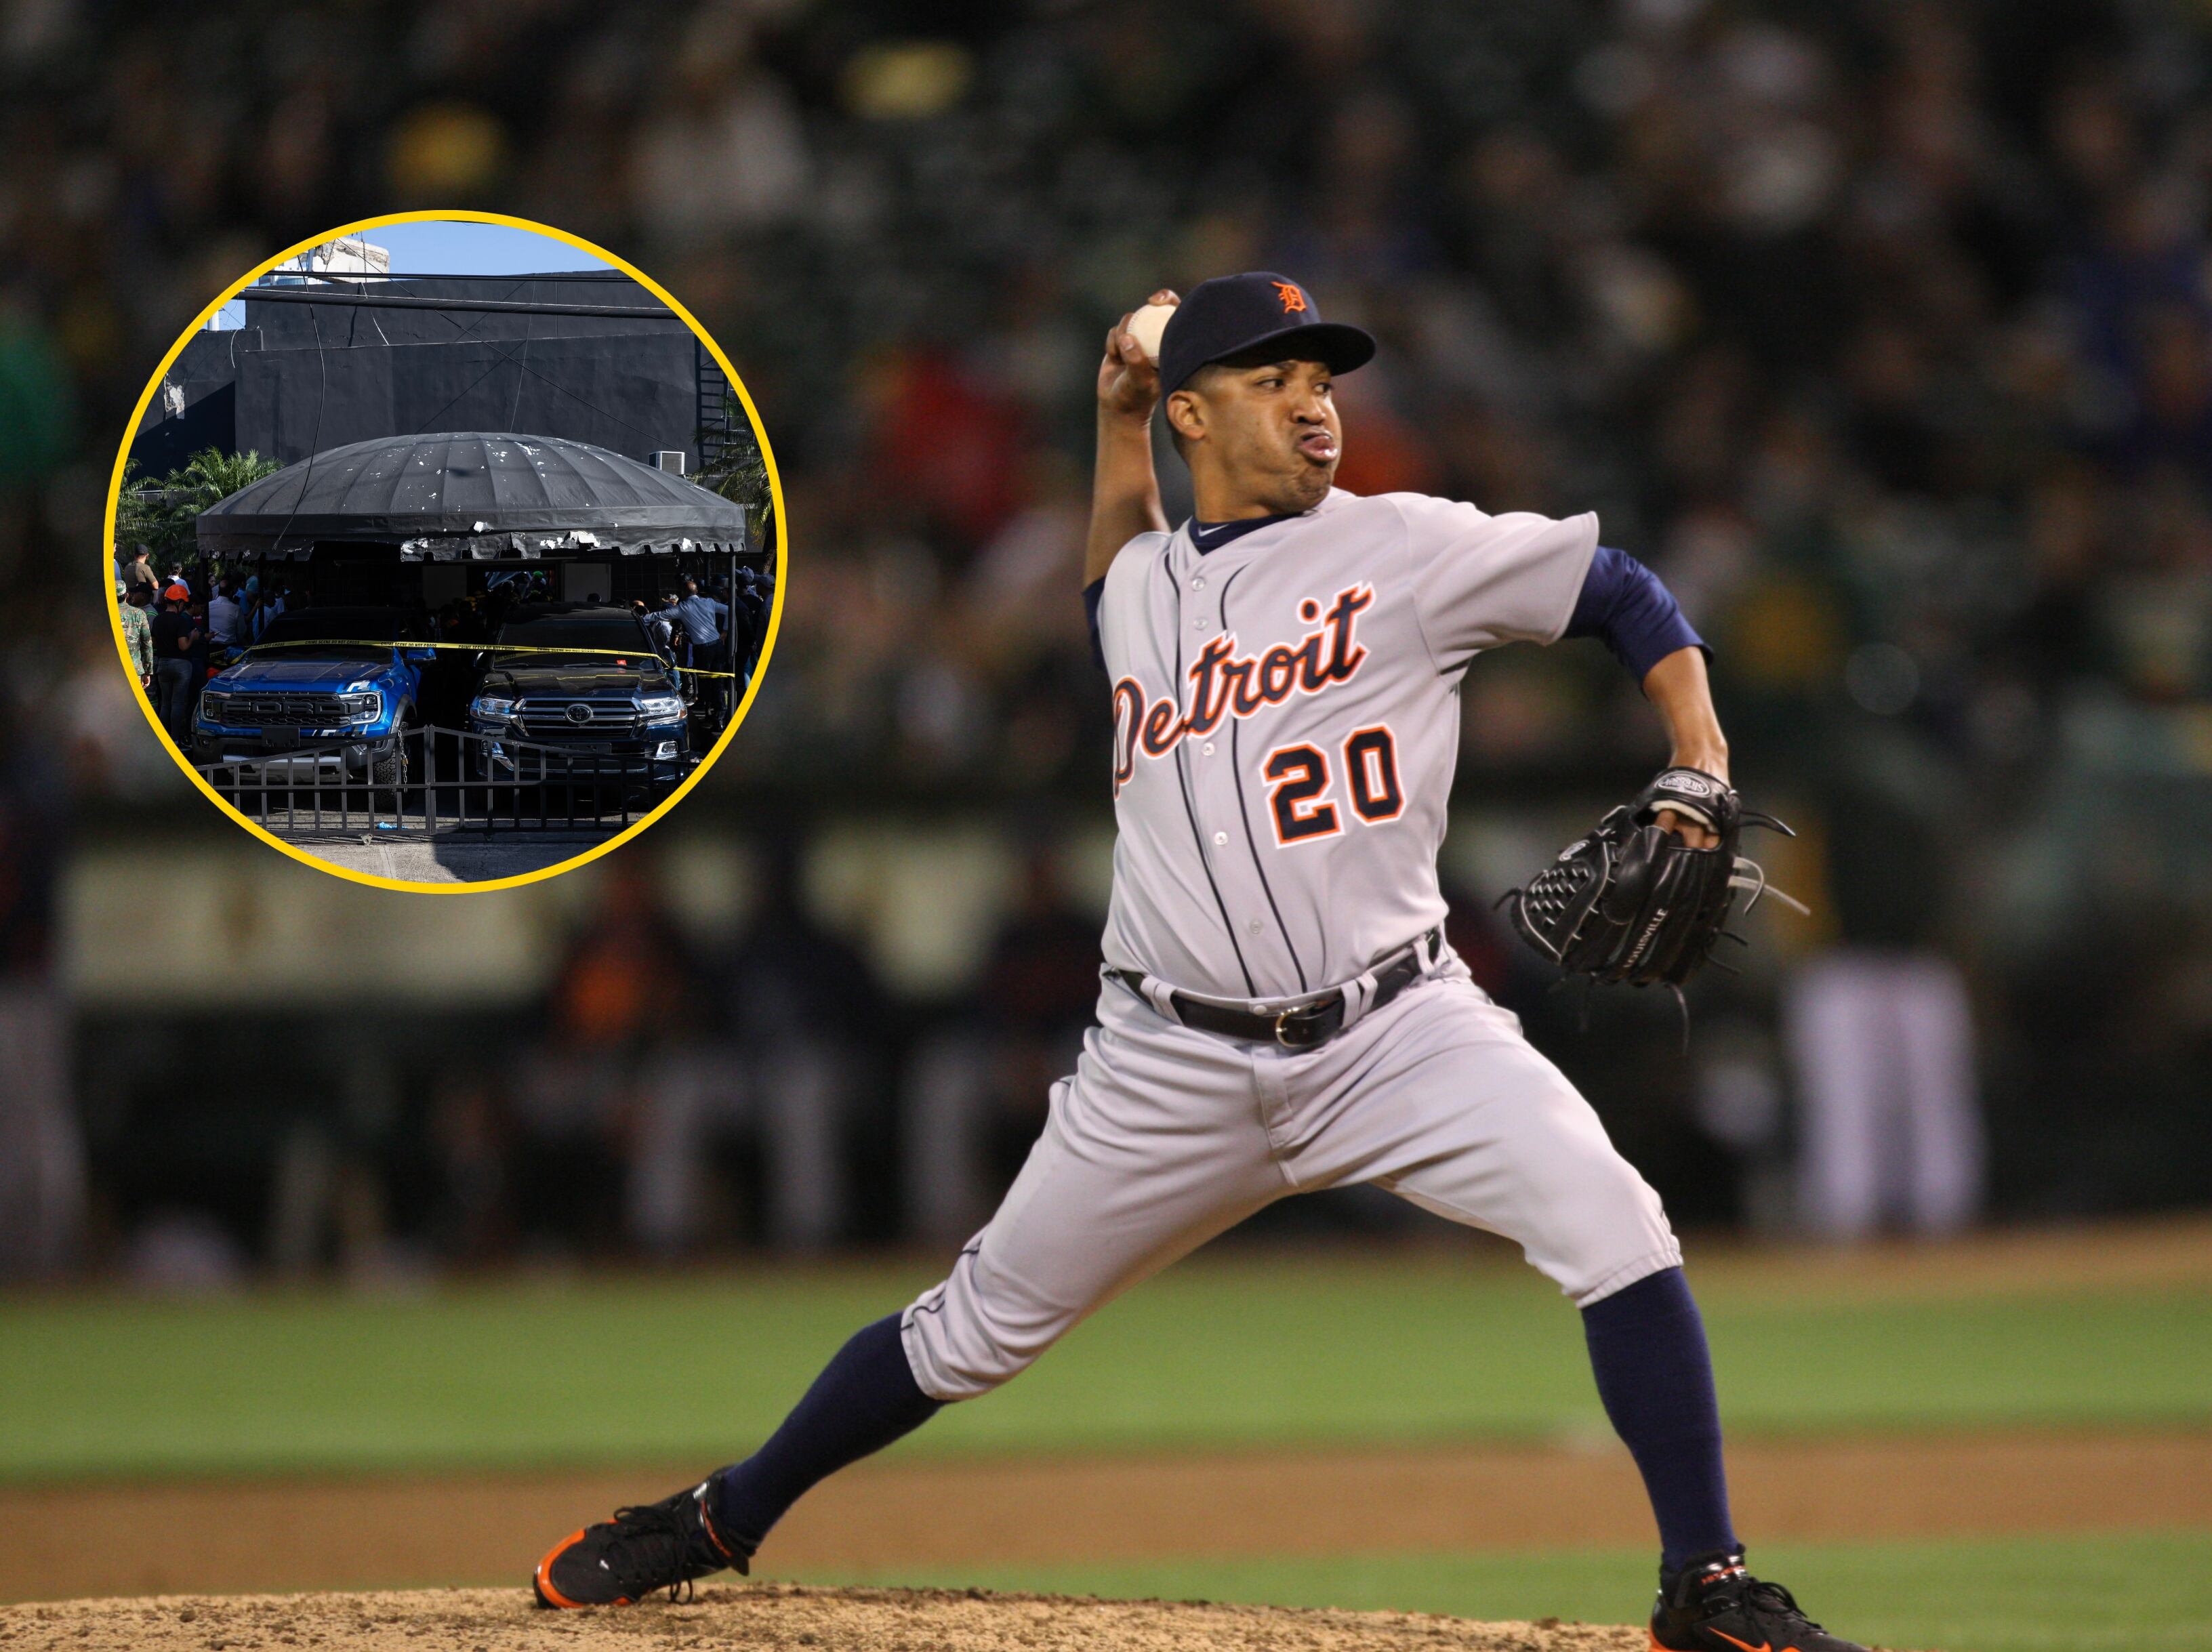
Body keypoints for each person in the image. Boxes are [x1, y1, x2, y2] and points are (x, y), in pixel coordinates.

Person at [527, 274, 1870, 1652]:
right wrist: (1112, 418)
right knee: (966, 1334)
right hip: (1164, 1061)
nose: (1314, 404)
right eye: (1275, 379)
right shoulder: (1143, 593)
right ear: (1192, 413)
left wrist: (1697, 761)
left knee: (1618, 1223)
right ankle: (721, 1518)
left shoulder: (1409, 545)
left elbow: (1626, 593)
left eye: (1325, 380)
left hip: (1399, 1031)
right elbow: (1118, 544)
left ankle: (1704, 1586)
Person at [148, 585, 201, 745]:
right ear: (179, 602)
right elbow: (183, 646)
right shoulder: (180, 621)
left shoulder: (158, 619)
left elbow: (154, 642)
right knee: (178, 703)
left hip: (163, 664)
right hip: (181, 665)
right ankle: (176, 739)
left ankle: (164, 739)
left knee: (165, 703)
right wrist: (193, 637)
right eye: (183, 604)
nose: (184, 606)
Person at [118, 587, 155, 688]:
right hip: (134, 669)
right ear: (127, 595)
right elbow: (147, 643)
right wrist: (148, 672)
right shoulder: (139, 614)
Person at [207, 579, 242, 647]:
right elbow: (241, 632)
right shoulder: (236, 609)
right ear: (231, 592)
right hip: (229, 647)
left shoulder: (208, 606)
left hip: (210, 647)